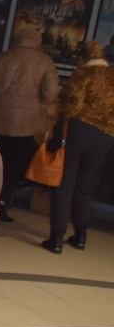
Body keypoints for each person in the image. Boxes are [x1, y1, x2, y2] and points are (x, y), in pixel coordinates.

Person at [42, 40, 114, 253]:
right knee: (85, 185)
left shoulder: (83, 74)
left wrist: (59, 111)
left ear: (82, 58)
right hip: (106, 137)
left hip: (80, 132)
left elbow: (73, 106)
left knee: (65, 183)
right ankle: (81, 235)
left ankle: (56, 237)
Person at [0, 28, 59, 222]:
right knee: (14, 167)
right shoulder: (44, 61)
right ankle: (2, 206)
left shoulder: (1, 58)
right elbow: (50, 94)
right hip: (26, 124)